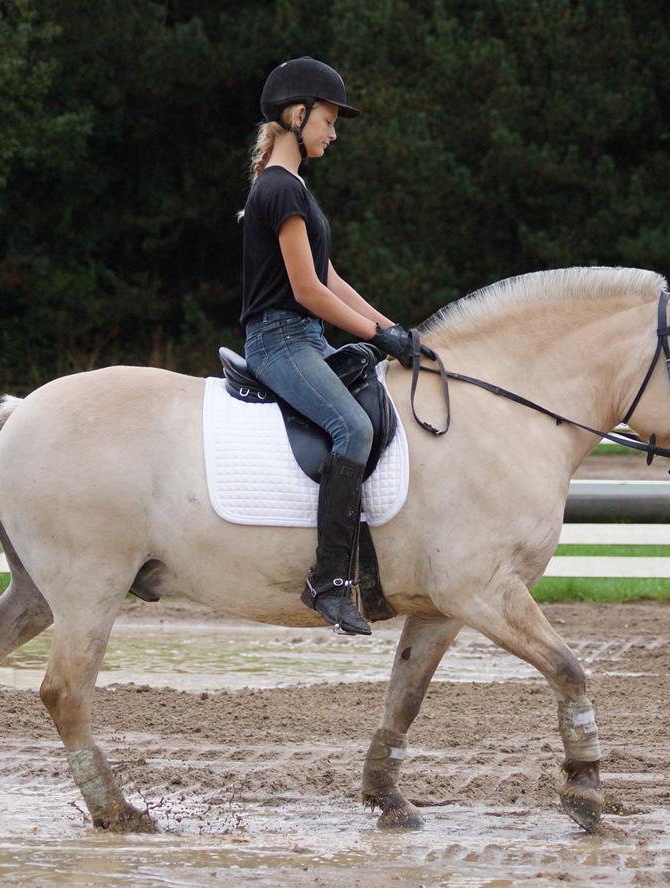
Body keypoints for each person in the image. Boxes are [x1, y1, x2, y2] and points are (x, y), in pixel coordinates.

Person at [239, 57, 413, 636]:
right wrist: (372, 333)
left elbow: (330, 276)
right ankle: (331, 579)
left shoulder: (295, 189)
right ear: (297, 114)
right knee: (353, 430)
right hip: (280, 340)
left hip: (304, 337)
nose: (334, 133)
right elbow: (307, 290)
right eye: (329, 121)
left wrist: (393, 329)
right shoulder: (279, 190)